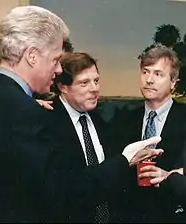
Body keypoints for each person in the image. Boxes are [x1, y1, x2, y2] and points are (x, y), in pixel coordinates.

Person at [0, 6, 163, 222]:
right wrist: (126, 159)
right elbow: (65, 193)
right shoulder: (27, 113)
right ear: (32, 56)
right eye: (55, 59)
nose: (59, 69)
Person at [39, 52, 163, 222]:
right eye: (84, 83)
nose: (94, 89)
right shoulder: (46, 123)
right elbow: (70, 190)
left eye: (96, 81)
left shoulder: (100, 119)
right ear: (63, 87)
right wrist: (124, 160)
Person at [110, 44, 186, 222]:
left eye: (158, 74)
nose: (149, 80)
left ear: (174, 82)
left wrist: (171, 176)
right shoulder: (123, 119)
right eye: (145, 72)